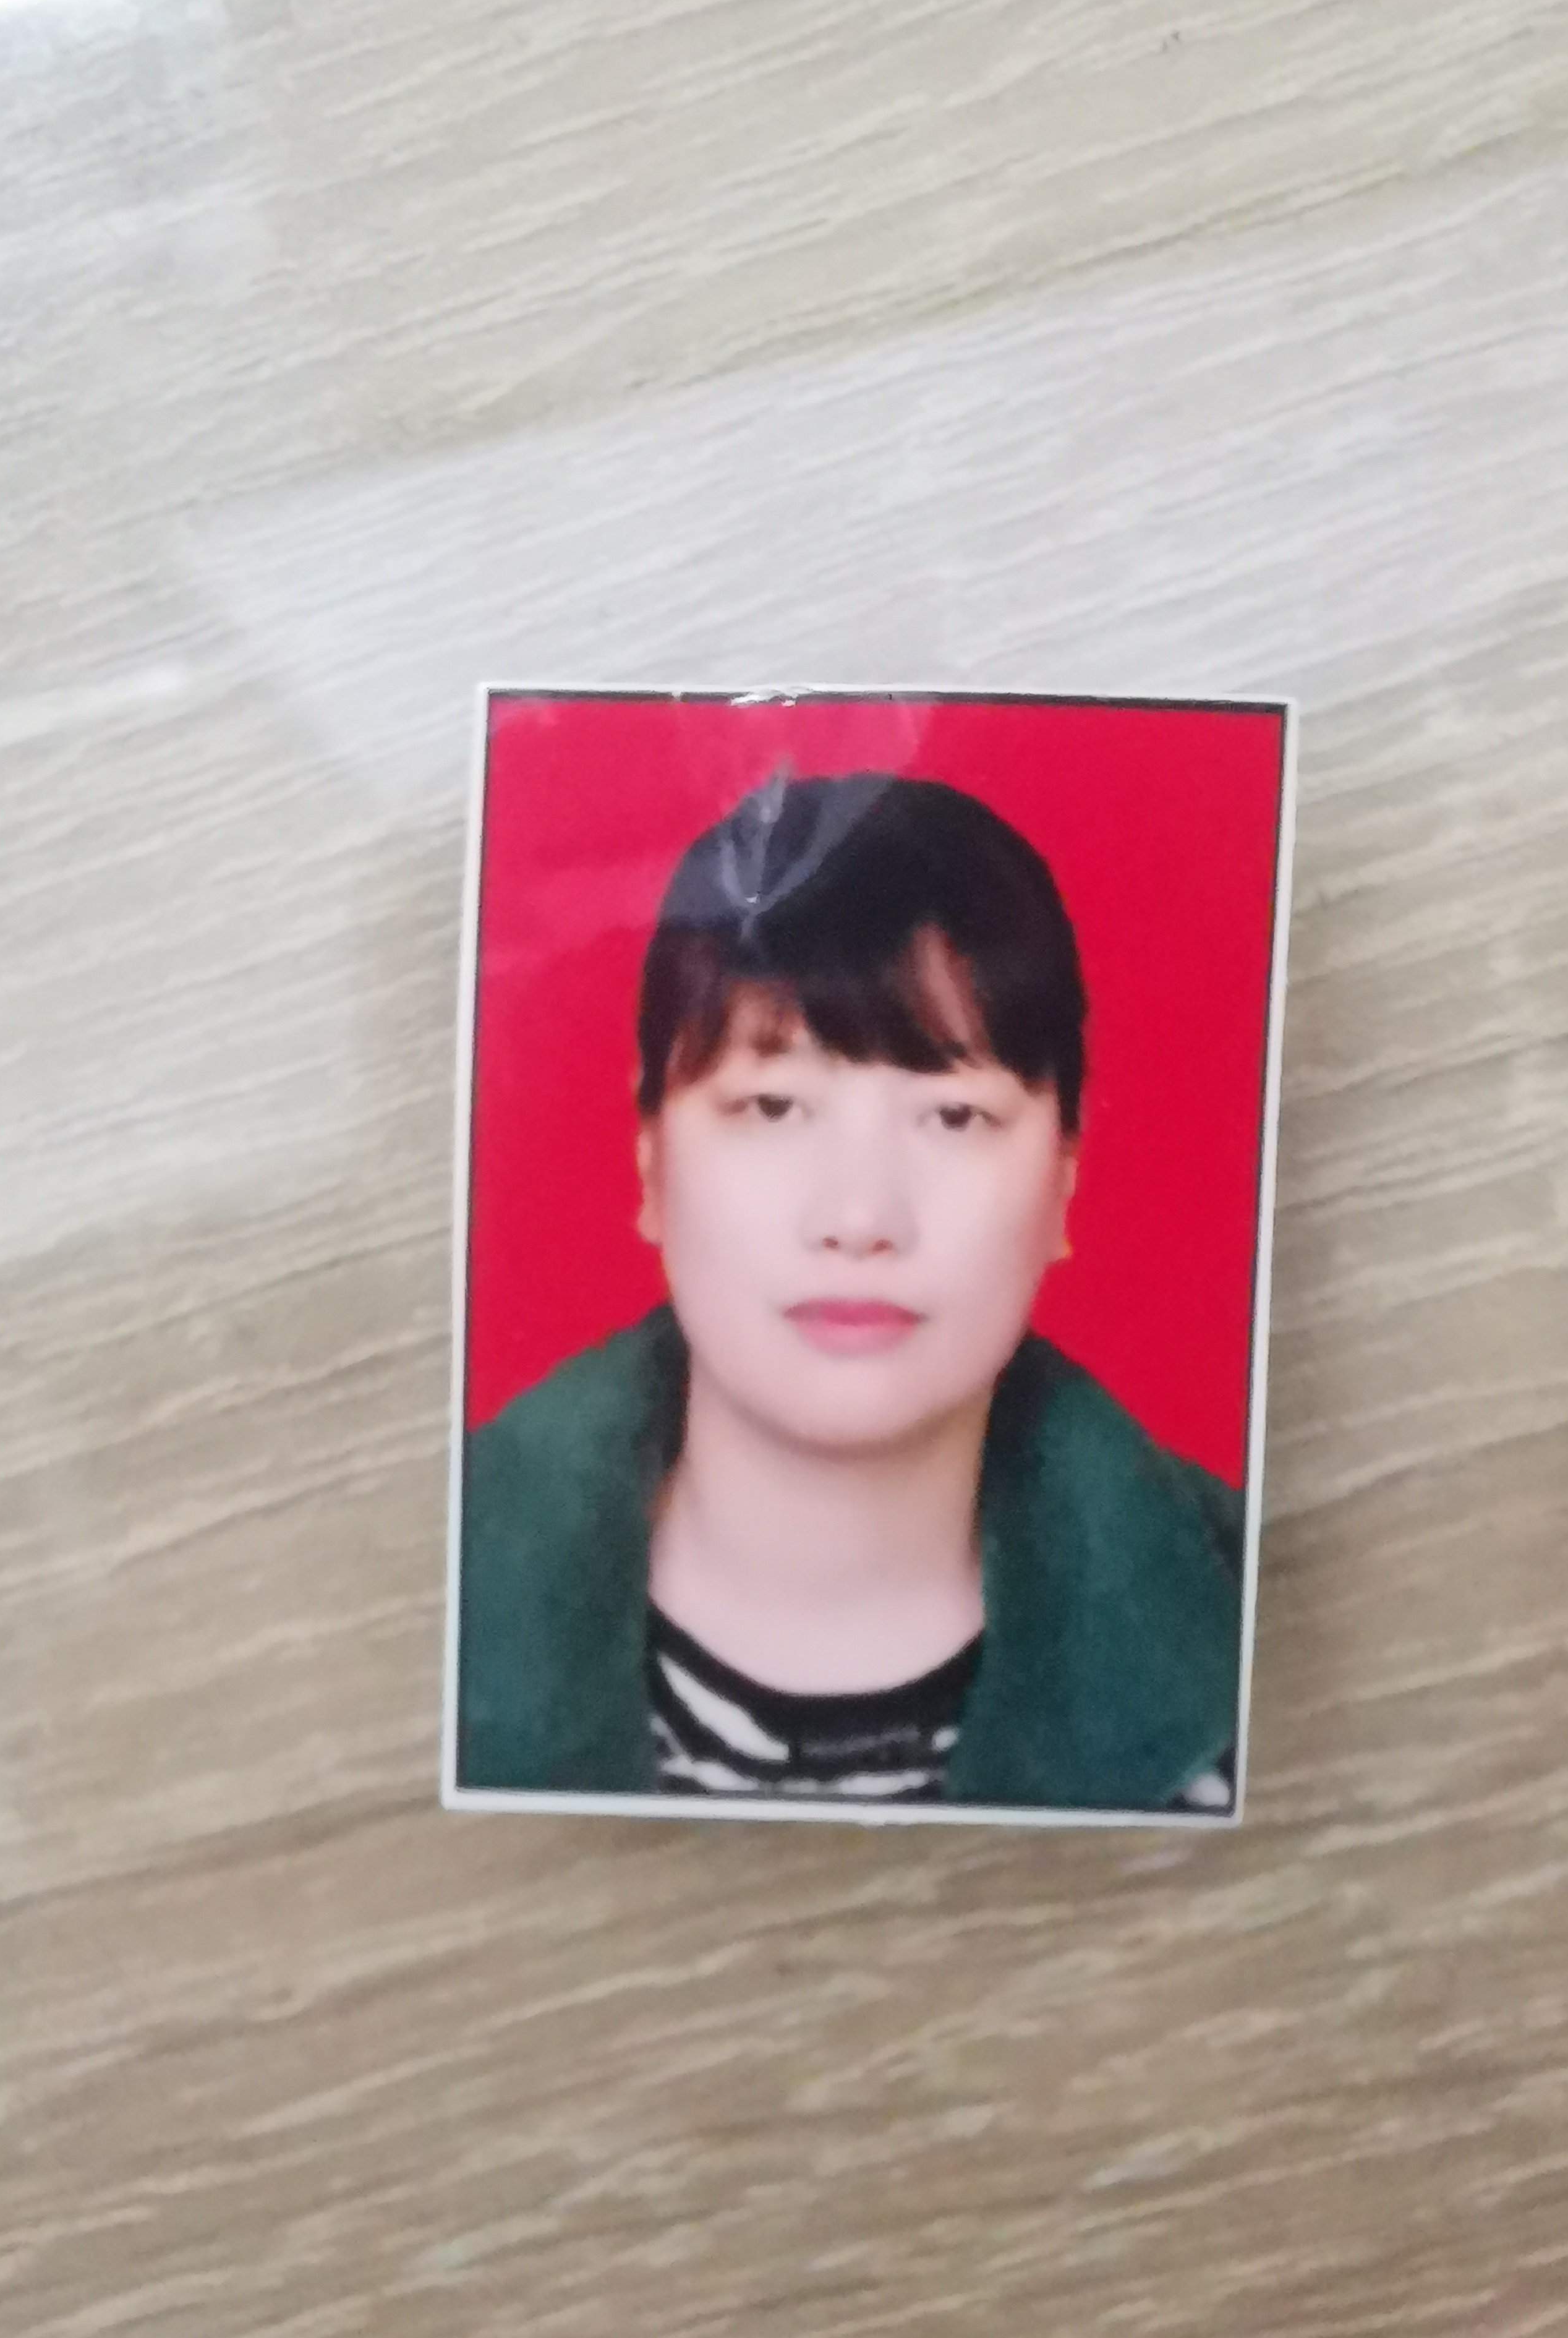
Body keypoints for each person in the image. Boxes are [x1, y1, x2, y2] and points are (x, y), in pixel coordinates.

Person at [454, 766, 1244, 1814]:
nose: (861, 1217)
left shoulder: (1256, 1626)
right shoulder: (426, 1582)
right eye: (774, 1107)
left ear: (1065, 1175)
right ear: (649, 1159)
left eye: (954, 1117)